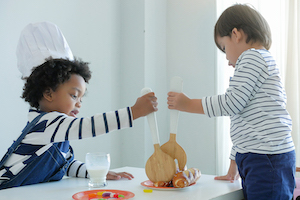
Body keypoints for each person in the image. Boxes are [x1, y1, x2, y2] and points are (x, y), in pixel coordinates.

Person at [0, 22, 158, 190]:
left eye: (81, 98)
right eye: (74, 95)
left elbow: (66, 165)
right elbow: (88, 126)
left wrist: (96, 172)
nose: (79, 104)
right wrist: (134, 112)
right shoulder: (46, 124)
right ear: (48, 93)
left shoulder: (54, 132)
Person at [167, 4, 295, 200]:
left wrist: (188, 104)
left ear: (236, 34)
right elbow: (242, 120)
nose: (227, 59)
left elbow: (231, 103)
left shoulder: (252, 57)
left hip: (266, 159)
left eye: (224, 48)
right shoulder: (261, 60)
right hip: (261, 157)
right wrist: (234, 165)